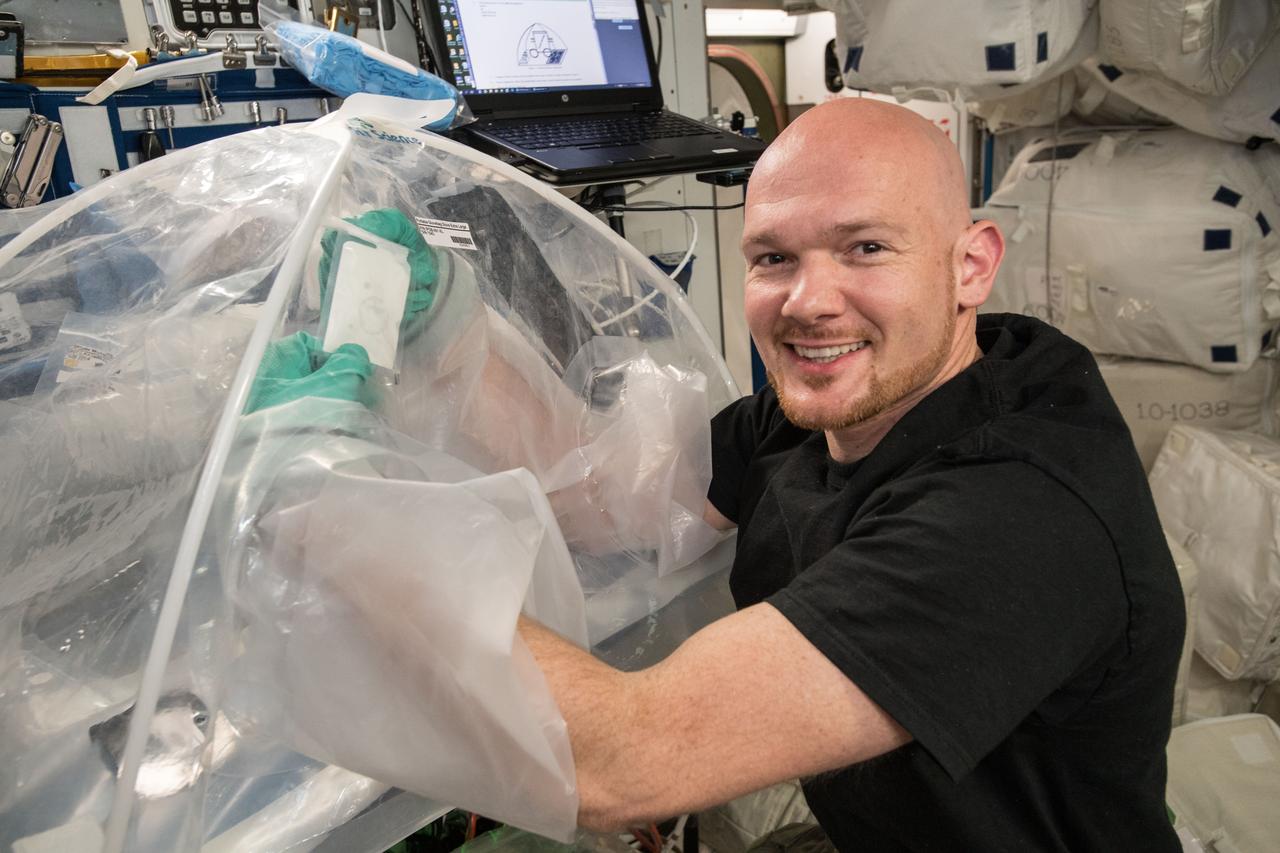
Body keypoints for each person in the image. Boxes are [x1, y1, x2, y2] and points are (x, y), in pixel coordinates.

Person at [517, 98, 1186, 850]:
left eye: (865, 247)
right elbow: (598, 503)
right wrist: (434, 315)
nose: (808, 303)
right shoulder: (817, 418)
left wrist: (383, 558)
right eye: (774, 257)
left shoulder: (1014, 514)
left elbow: (619, 762)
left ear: (970, 266)